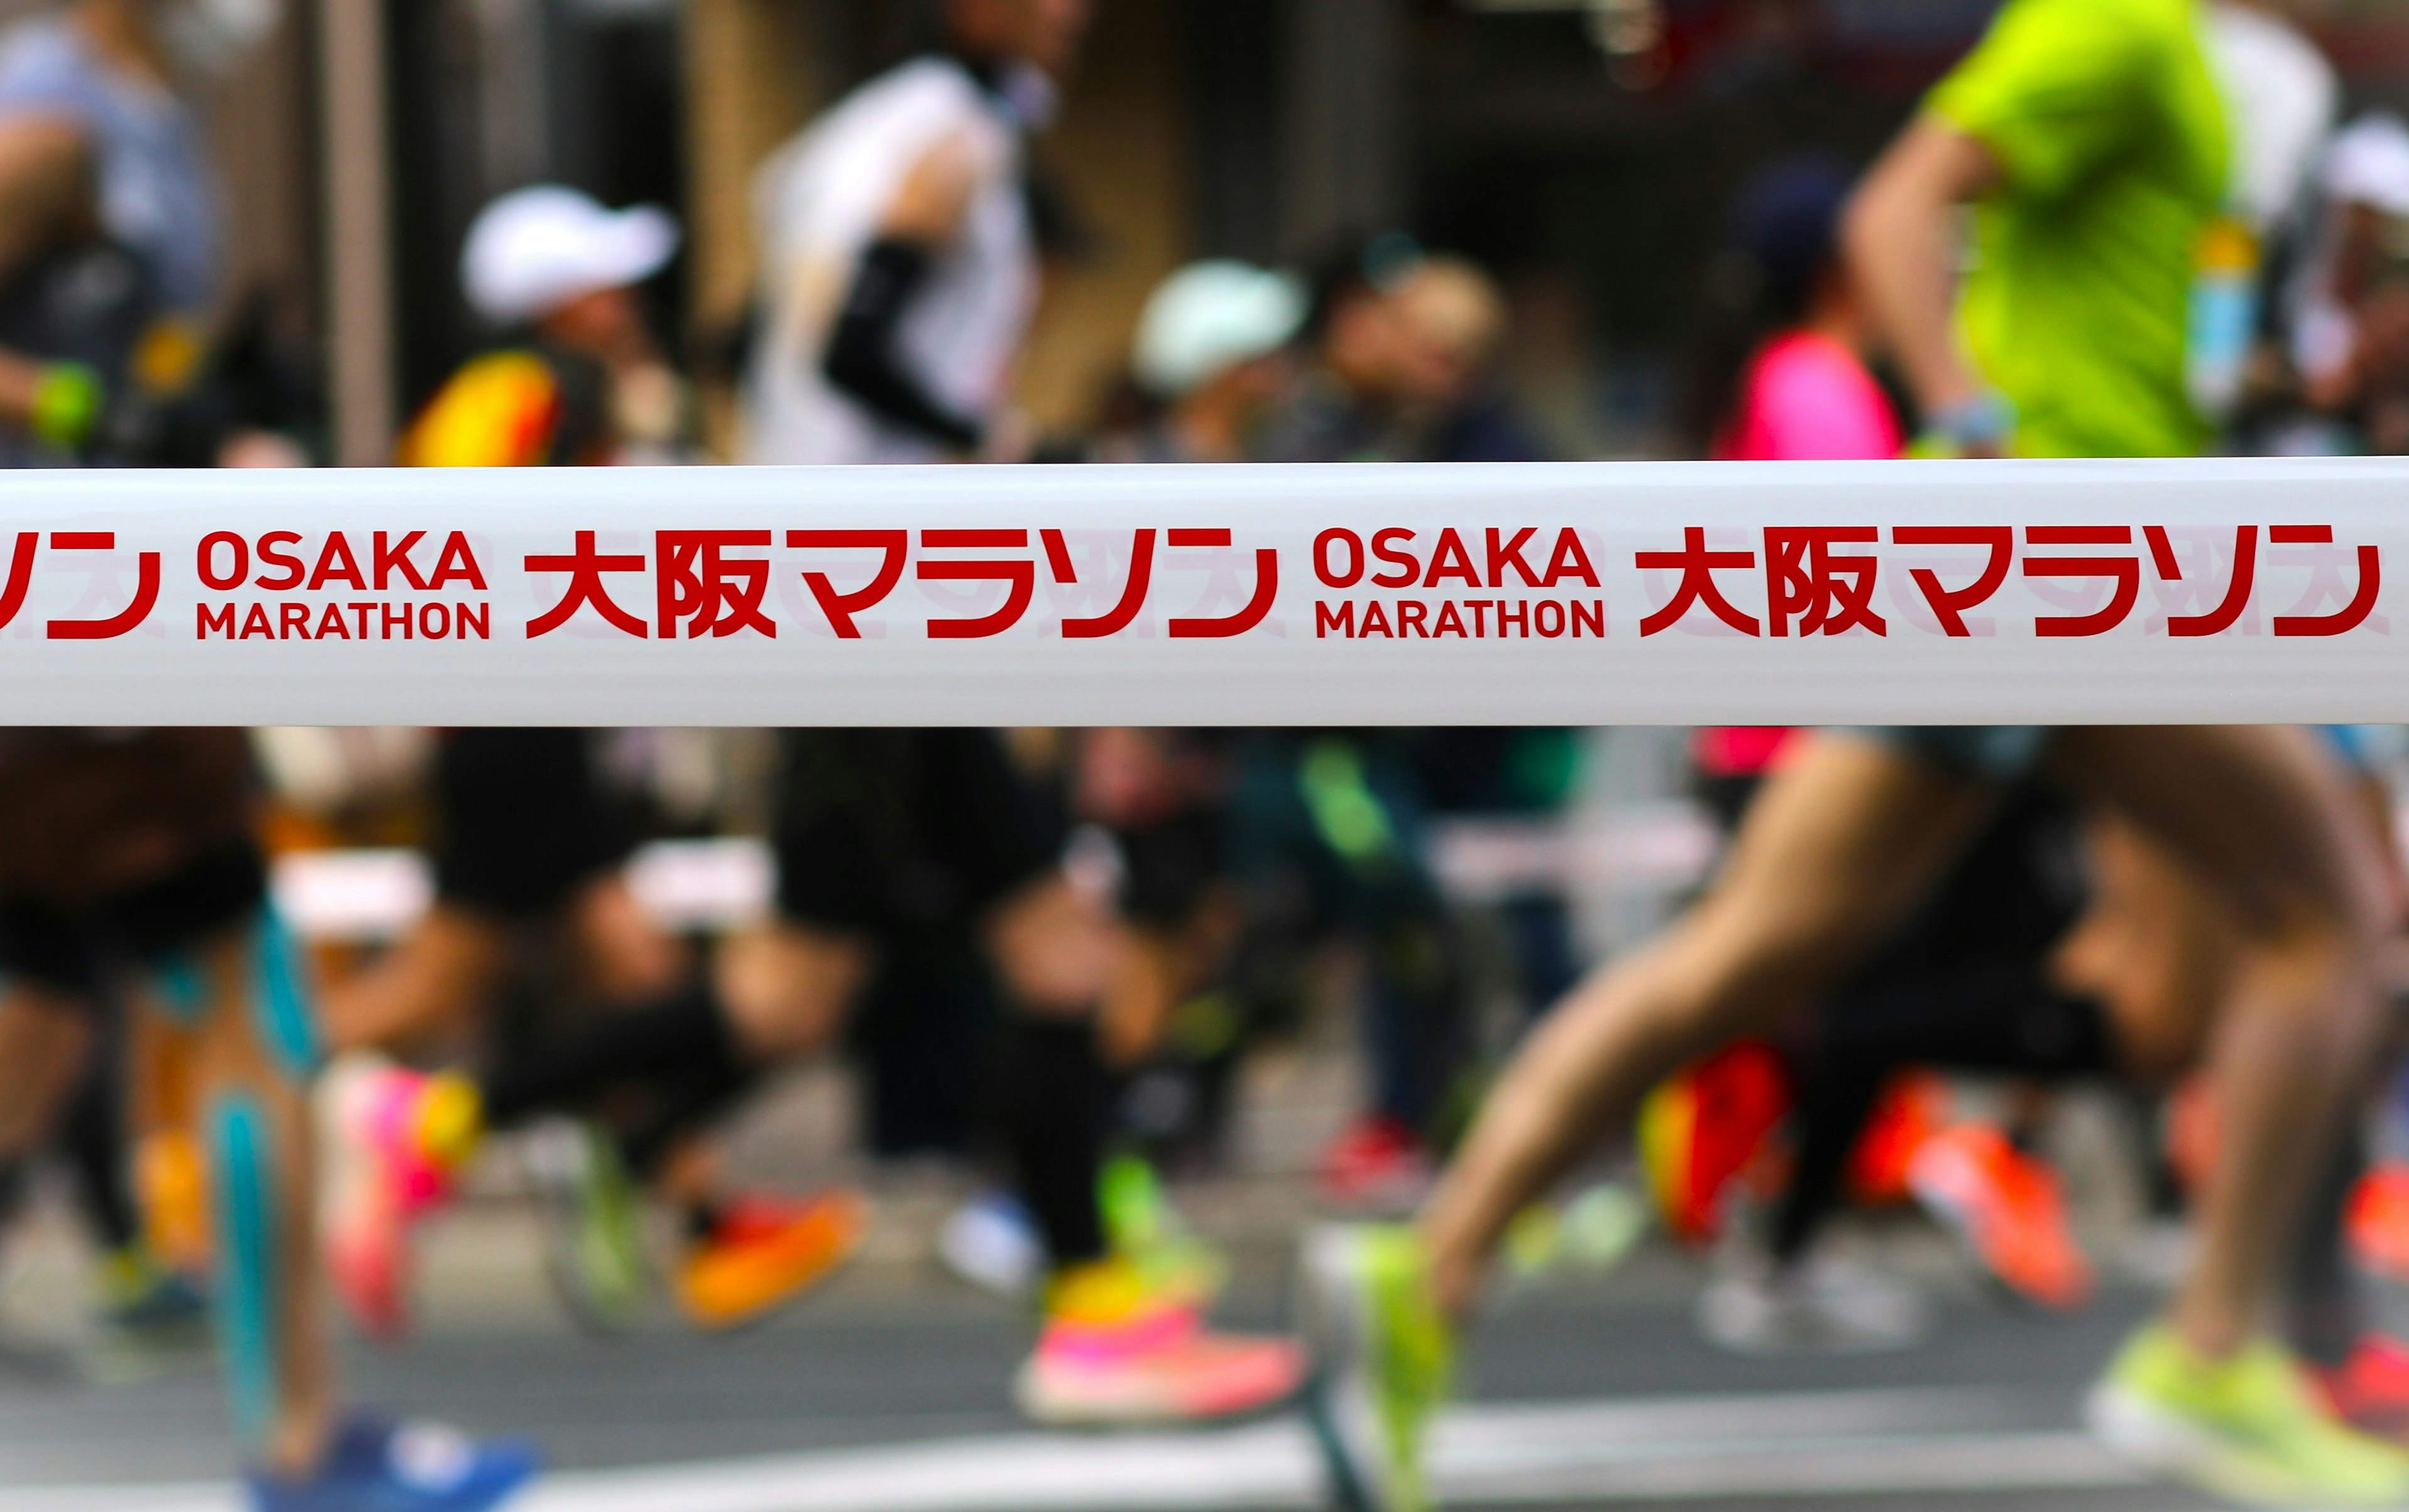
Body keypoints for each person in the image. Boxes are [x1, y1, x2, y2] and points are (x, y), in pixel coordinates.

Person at [1300, 1, 2409, 1508]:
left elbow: (2118, 314)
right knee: (2331, 910)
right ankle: (2210, 1350)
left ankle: (1421, 1269)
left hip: (2045, 546)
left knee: (1748, 955)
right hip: (2065, 548)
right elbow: (1899, 204)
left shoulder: (2217, 79)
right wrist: (1975, 428)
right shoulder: (2120, 25)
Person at [329, 185, 866, 1340]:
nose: (627, 303)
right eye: (607, 282)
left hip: (527, 729)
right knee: (438, 989)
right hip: (510, 732)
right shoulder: (523, 393)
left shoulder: (543, 396)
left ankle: (707, 1217)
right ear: (562, 300)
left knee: (634, 971)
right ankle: (252, 1123)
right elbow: (454, 542)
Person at [0, 733, 536, 1511]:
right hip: (107, 733)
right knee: (251, 1033)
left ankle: (303, 1438)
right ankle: (299, 1439)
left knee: (38, 1019)